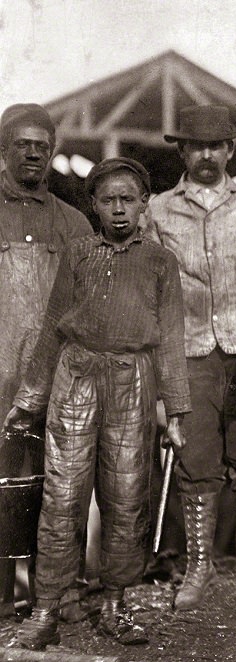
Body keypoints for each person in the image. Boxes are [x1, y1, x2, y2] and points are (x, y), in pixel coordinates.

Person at [7, 158, 189, 650]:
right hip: (76, 377)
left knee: (126, 497)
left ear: (145, 204)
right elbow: (51, 327)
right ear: (94, 207)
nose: (119, 209)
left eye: (128, 199)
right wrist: (29, 397)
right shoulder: (79, 252)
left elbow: (171, 337)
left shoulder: (160, 261)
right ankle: (47, 606)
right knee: (62, 497)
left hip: (132, 383)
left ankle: (115, 603)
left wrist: (176, 411)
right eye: (108, 200)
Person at [145, 105, 236, 612]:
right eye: (196, 145)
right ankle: (199, 566)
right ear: (182, 151)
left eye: (216, 145)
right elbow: (150, 292)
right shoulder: (158, 212)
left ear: (230, 150)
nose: (206, 154)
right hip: (189, 356)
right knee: (196, 464)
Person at [0, 103, 92, 620]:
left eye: (42, 144)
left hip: (56, 375)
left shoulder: (74, 223)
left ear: (53, 150)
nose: (33, 152)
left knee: (57, 482)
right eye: (22, 144)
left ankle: (54, 593)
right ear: (3, 148)